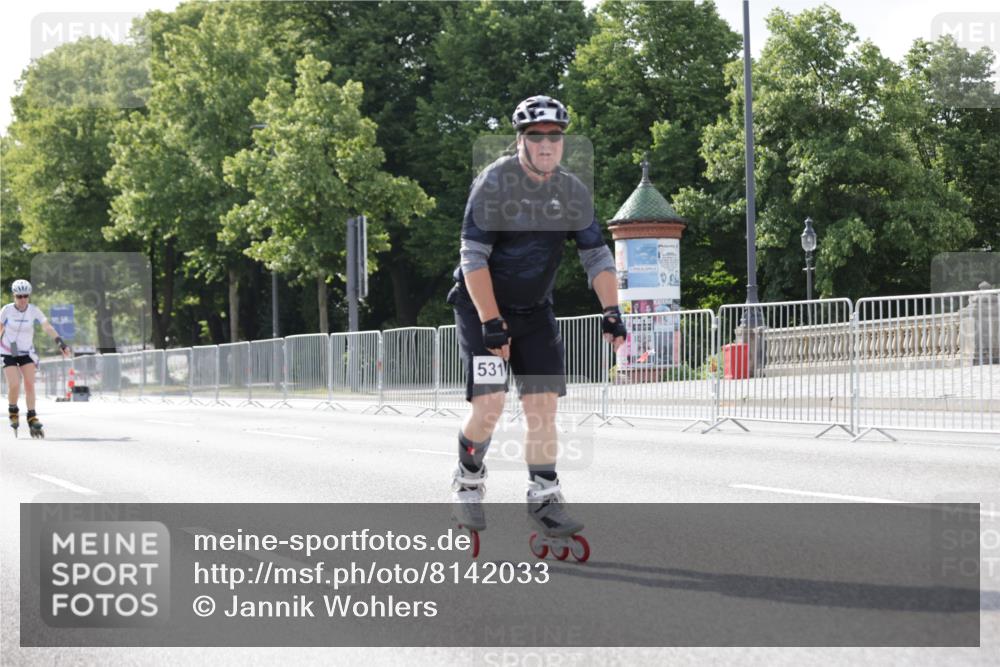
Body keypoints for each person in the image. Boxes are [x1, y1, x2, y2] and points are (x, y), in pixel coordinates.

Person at [447, 95, 627, 551]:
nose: (546, 144)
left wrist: (611, 311)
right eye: (536, 136)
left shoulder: (571, 191)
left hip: (535, 313)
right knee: (490, 404)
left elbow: (596, 255)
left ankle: (544, 496)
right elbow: (473, 256)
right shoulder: (494, 183)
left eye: (555, 136)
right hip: (481, 309)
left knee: (543, 407)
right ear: (520, 140)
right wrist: (491, 321)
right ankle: (468, 477)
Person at [0, 280, 72, 438]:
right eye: (19, 296)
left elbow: (47, 327)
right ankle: (13, 409)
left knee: (29, 384)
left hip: (26, 352)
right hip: (7, 351)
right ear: (14, 296)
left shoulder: (33, 310)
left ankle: (32, 417)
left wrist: (61, 343)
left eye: (25, 296)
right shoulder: (7, 310)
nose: (22, 299)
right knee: (14, 384)